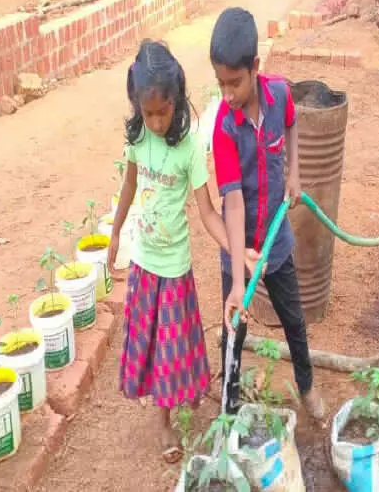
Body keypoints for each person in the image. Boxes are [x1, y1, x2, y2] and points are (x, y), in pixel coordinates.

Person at [107, 39, 255, 462]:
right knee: (153, 345)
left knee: (176, 346)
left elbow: (208, 212)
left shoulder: (189, 148)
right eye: (147, 112)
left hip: (174, 267)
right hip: (144, 263)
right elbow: (129, 187)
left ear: (177, 100)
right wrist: (116, 233)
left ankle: (180, 397)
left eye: (163, 111)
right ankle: (163, 421)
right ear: (137, 105)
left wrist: (235, 245)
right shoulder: (137, 139)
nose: (155, 121)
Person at [209, 7, 325, 421]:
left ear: (255, 68)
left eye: (234, 83)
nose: (226, 93)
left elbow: (292, 126)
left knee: (294, 321)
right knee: (232, 331)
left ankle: (306, 385)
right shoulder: (224, 126)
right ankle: (230, 404)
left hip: (275, 242)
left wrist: (294, 172)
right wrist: (239, 282)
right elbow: (233, 202)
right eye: (220, 83)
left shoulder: (279, 95)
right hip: (237, 244)